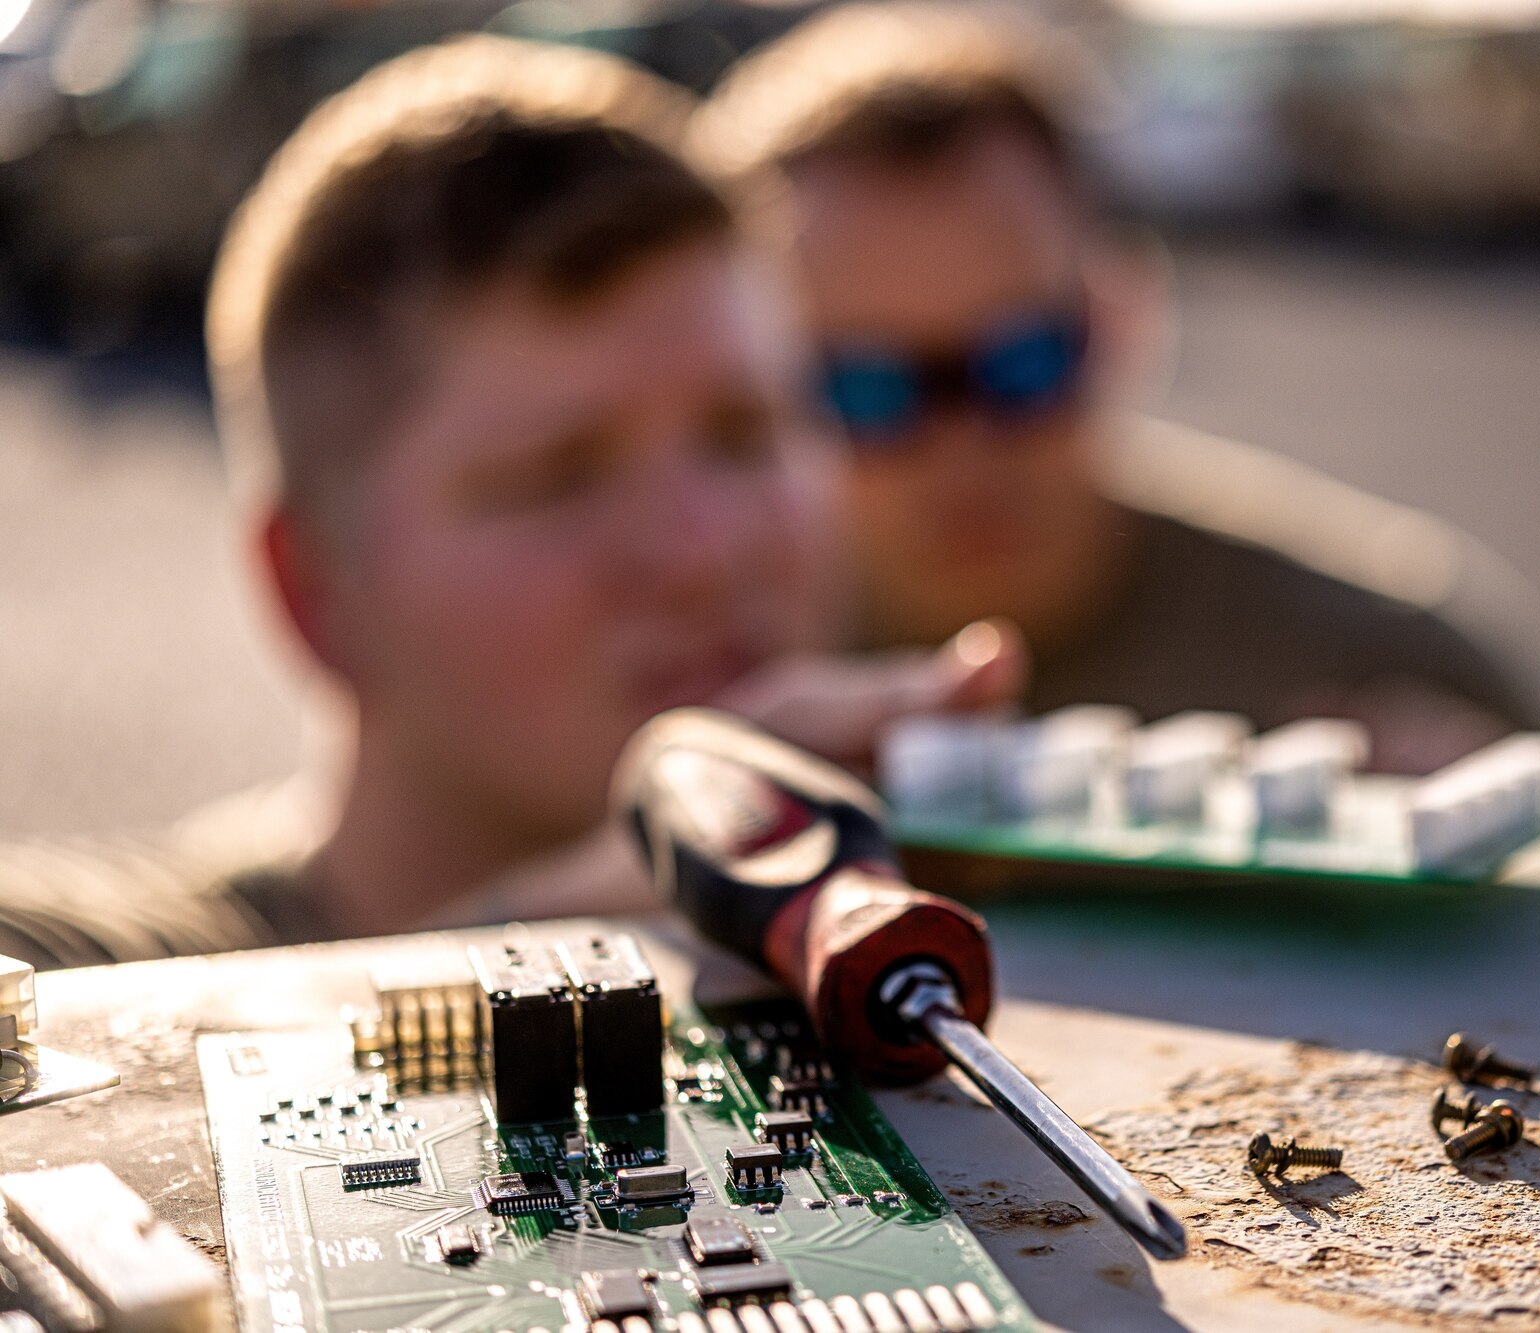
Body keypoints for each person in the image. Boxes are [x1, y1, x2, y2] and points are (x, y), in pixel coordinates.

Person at [0, 36, 1022, 969]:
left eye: (742, 434)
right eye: (557, 475)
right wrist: (540, 954)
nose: (703, 547)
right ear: (312, 587)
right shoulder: (97, 962)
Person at [692, 2, 1540, 775]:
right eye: (869, 388)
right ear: (764, 398)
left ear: (1122, 321)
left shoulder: (1387, 654)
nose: (963, 446)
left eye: (1021, 363)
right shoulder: (693, 684)